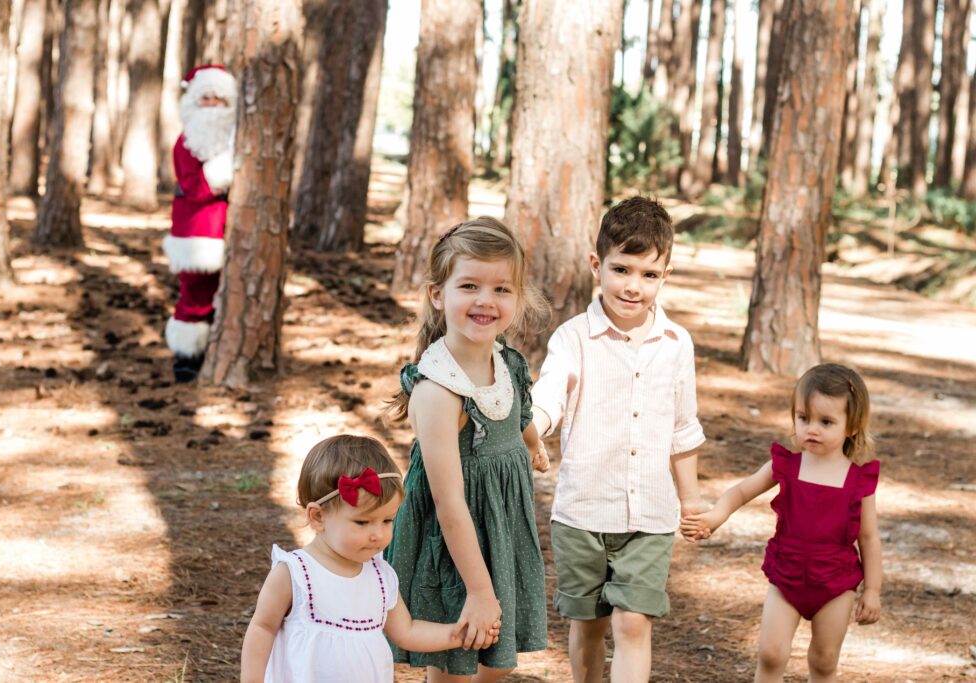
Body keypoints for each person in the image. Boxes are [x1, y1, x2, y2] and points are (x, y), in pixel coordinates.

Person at [528, 195, 707, 683]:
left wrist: (690, 500)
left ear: (665, 275)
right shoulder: (573, 338)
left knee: (632, 623)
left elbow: (682, 427)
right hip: (582, 512)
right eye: (621, 269)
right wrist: (533, 426)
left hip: (650, 515)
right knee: (587, 626)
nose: (634, 286)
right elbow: (550, 394)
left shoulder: (677, 345)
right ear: (596, 265)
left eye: (649, 275)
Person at [385, 217, 550, 681]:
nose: (486, 300)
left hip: (501, 529)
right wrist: (478, 590)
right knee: (456, 661)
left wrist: (533, 446)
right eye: (470, 285)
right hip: (455, 542)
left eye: (502, 289)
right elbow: (448, 501)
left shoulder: (508, 361)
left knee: (496, 656)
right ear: (438, 294)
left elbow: (518, 417)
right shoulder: (440, 392)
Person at [240, 435, 499, 683]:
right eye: (362, 522)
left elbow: (407, 631)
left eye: (387, 520)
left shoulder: (380, 575)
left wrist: (459, 634)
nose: (377, 534)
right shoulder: (294, 573)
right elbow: (262, 628)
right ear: (318, 517)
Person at [681, 363, 882, 683]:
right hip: (786, 576)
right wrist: (717, 515)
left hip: (835, 582)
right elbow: (742, 490)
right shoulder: (787, 465)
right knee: (771, 653)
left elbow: (869, 539)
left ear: (852, 426)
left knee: (824, 659)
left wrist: (872, 589)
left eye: (826, 421)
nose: (811, 429)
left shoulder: (858, 481)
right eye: (803, 418)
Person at [162, 64, 237, 383]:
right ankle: (187, 354)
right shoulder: (186, 142)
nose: (211, 105)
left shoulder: (232, 139)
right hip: (197, 230)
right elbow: (196, 187)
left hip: (227, 228)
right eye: (204, 98)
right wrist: (226, 168)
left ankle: (214, 345)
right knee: (195, 292)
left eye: (218, 99)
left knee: (226, 293)